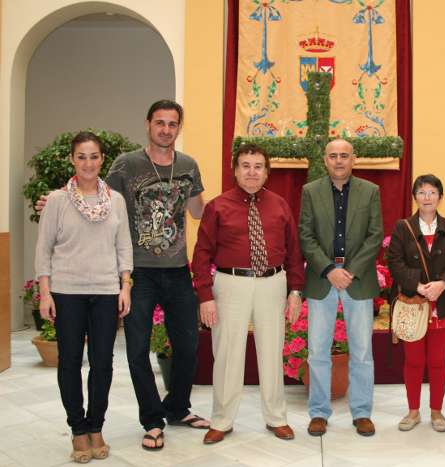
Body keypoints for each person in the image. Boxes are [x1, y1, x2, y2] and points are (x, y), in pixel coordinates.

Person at [38, 100, 209, 449]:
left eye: (172, 124)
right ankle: (152, 420)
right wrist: (53, 201)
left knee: (189, 346)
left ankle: (177, 407)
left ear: (179, 127)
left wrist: (222, 210)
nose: (166, 129)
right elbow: (94, 190)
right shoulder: (126, 164)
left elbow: (197, 212)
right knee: (136, 351)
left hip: (178, 269)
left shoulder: (189, 165)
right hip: (138, 271)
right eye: (159, 122)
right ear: (148, 125)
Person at [191, 144, 305, 444]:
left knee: (271, 352)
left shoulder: (280, 205)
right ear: (235, 170)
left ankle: (276, 417)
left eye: (258, 166)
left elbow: (294, 252)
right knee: (227, 354)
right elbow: (201, 254)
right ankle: (222, 420)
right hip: (231, 284)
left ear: (267, 172)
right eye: (245, 165)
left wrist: (295, 290)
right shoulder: (217, 207)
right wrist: (205, 296)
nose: (252, 172)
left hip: (272, 283)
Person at [35, 131, 133, 463]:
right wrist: (45, 293)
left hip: (105, 292)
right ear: (72, 160)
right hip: (67, 292)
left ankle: (96, 426)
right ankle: (78, 429)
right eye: (81, 157)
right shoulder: (57, 201)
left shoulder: (115, 201)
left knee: (103, 363)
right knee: (70, 362)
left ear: (102, 160)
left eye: (93, 157)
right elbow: (44, 249)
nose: (88, 163)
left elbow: (124, 248)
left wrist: (125, 286)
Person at [298, 138, 383, 437]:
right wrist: (329, 270)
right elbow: (305, 235)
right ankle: (319, 412)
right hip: (322, 279)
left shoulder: (370, 191)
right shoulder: (310, 191)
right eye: (333, 155)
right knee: (318, 351)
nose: (338, 161)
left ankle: (361, 412)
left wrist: (350, 271)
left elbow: (375, 235)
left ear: (353, 159)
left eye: (344, 155)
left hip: (357, 280)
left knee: (362, 352)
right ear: (325, 159)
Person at [386, 174, 445, 433]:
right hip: (413, 304)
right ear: (415, 197)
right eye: (422, 192)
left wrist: (442, 284)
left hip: (443, 304)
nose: (427, 197)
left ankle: (436, 411)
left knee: (438, 361)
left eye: (432, 192)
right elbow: (394, 262)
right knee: (413, 361)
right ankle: (413, 411)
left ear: (440, 197)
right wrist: (418, 286)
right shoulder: (403, 227)